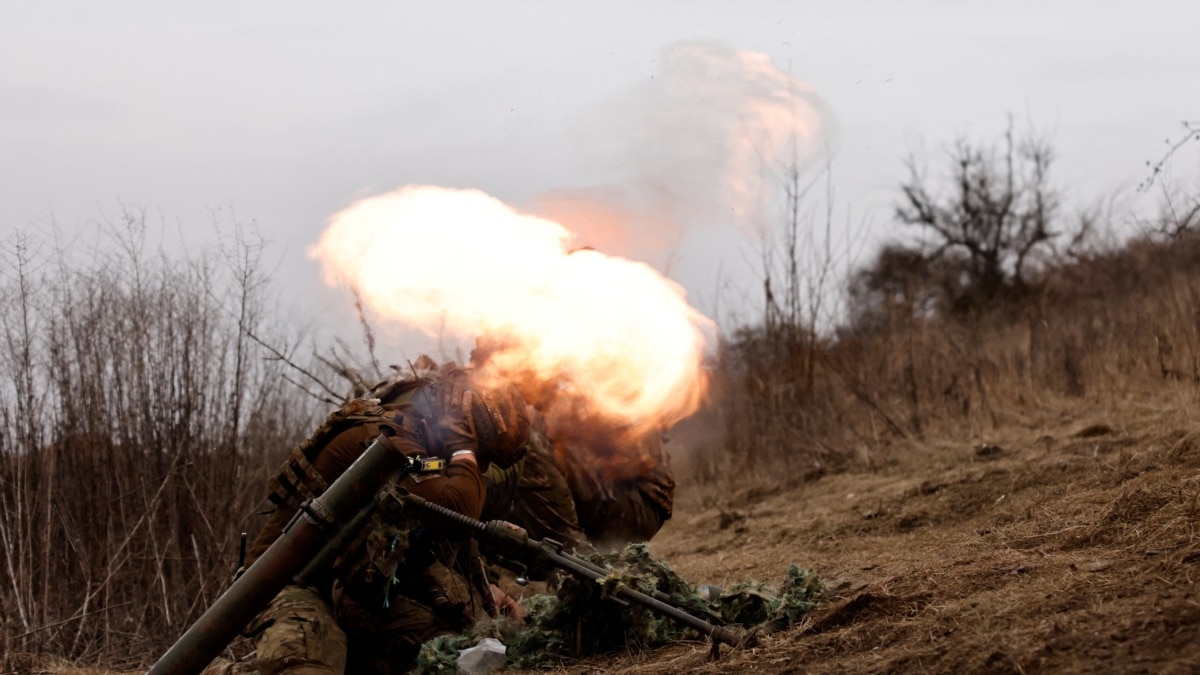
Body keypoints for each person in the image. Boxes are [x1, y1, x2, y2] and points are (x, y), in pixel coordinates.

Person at [206, 362, 531, 675]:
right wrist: (464, 447)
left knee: (449, 650)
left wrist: (485, 590)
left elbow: (447, 538)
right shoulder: (386, 438)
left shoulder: (423, 457)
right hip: (287, 586)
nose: (482, 467)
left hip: (353, 590)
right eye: (482, 454)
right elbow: (458, 510)